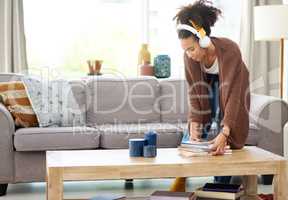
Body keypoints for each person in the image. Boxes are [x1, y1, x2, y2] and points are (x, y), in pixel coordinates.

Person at [170, 0, 250, 192]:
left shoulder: (230, 50)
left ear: (203, 40)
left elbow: (233, 96)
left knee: (224, 135)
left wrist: (226, 131)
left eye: (191, 49)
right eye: (185, 50)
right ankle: (181, 175)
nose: (189, 54)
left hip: (234, 89)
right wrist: (195, 123)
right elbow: (195, 93)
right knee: (194, 131)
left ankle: (219, 186)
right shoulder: (189, 58)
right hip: (207, 87)